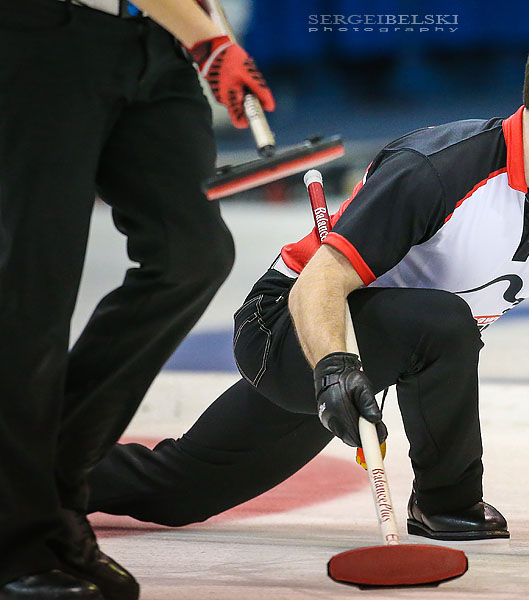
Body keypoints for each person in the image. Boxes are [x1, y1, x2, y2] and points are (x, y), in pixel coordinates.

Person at [85, 17, 529, 548]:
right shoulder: (437, 170)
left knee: (179, 492)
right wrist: (334, 369)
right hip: (290, 330)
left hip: (379, 347)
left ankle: (40, 475)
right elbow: (317, 286)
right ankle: (446, 503)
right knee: (444, 322)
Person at [0, 0, 275, 598]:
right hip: (43, 33)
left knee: (192, 255)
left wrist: (210, 35)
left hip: (157, 39)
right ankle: (18, 540)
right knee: (33, 293)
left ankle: (49, 488)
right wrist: (209, 42)